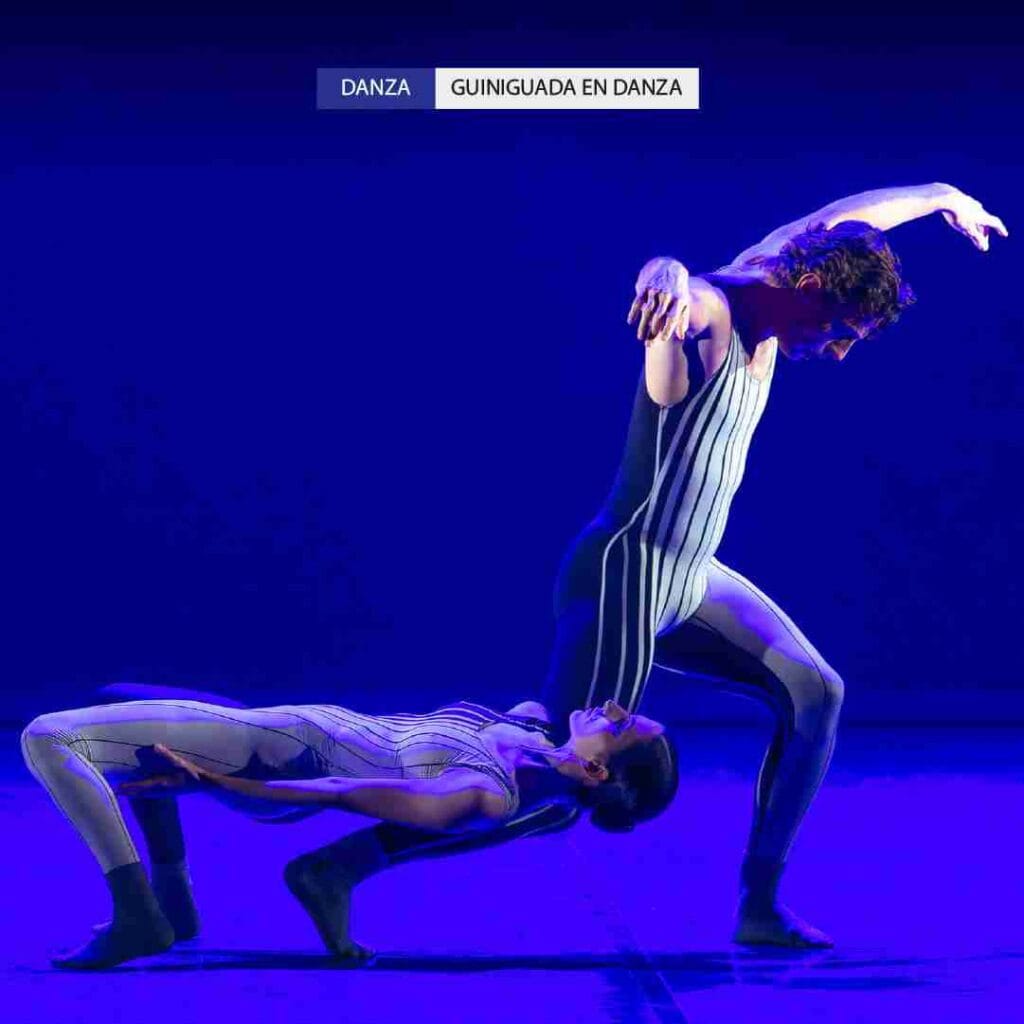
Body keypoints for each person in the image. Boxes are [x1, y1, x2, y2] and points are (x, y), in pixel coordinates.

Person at [272, 182, 1006, 952]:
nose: (839, 350)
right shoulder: (717, 312)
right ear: (812, 288)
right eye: (840, 331)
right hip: (626, 575)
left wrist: (944, 196)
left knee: (816, 691)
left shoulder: (798, 259)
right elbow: (681, 289)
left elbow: (863, 213)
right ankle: (338, 866)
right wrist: (662, 269)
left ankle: (760, 905)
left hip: (690, 574)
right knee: (556, 792)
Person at [20, 688, 677, 969]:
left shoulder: (483, 796)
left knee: (49, 738)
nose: (613, 706)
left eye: (621, 725)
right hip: (283, 728)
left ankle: (138, 914)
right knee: (117, 699)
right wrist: (549, 748)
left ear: (596, 774)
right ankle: (176, 903)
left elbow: (343, 792)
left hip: (269, 753)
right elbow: (534, 740)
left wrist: (214, 782)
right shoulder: (526, 731)